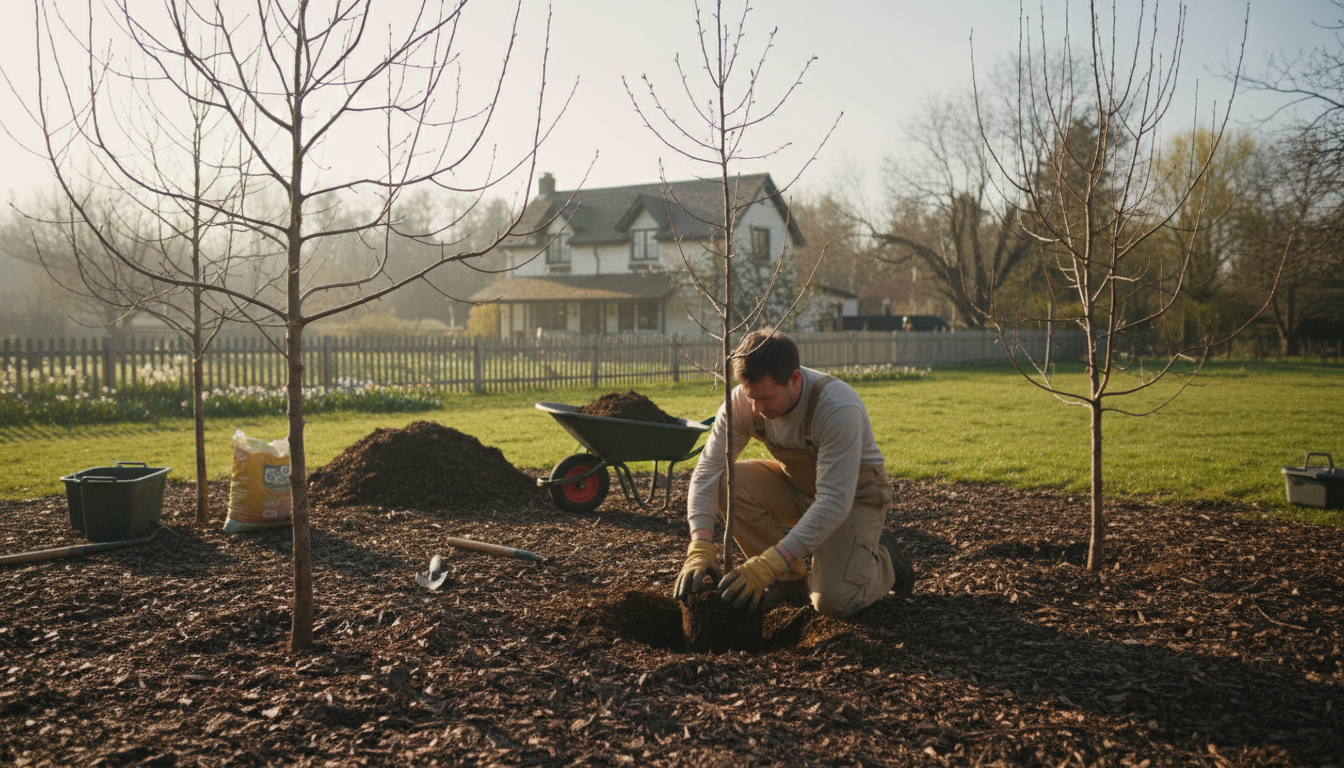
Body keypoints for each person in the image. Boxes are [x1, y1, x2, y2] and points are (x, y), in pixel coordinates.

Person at [673, 328, 915, 616]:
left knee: (833, 603)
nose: (757, 408)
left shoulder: (836, 406)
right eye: (751, 397)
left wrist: (768, 562)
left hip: (855, 499)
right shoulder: (743, 402)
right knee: (728, 482)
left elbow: (835, 500)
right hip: (798, 488)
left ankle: (885, 562)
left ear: (795, 379)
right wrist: (700, 544)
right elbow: (708, 470)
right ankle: (788, 581)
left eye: (766, 398)